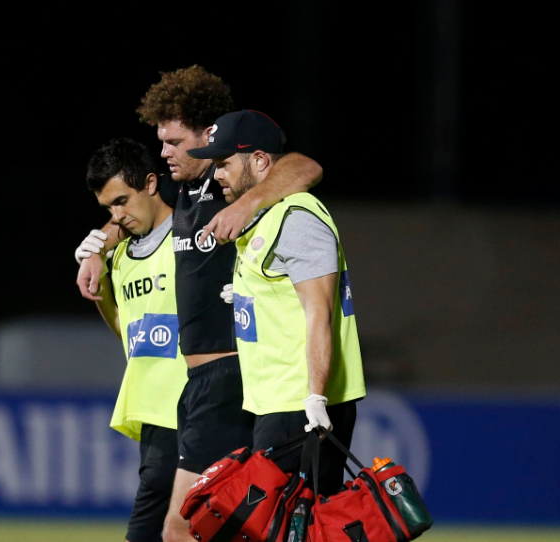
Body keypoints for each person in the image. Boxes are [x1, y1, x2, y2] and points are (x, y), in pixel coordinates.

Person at [73, 65, 324, 542]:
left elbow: (305, 167)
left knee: (180, 529)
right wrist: (100, 246)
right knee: (225, 528)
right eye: (161, 142)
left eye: (173, 141)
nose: (164, 152)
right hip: (198, 385)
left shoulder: (227, 181)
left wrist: (246, 205)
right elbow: (133, 208)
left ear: (209, 135)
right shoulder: (184, 189)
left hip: (229, 377)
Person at [187, 109, 366, 496]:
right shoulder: (267, 217)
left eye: (224, 164)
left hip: (299, 406)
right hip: (275, 403)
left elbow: (319, 313)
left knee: (289, 522)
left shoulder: (296, 217)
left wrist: (315, 399)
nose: (216, 175)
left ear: (259, 160)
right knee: (290, 523)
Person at [84, 137, 186, 542]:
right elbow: (130, 334)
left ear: (150, 183)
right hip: (152, 410)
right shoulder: (122, 257)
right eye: (108, 208)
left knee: (148, 527)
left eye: (122, 201)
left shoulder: (191, 236)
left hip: (195, 404)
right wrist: (98, 269)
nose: (117, 216)